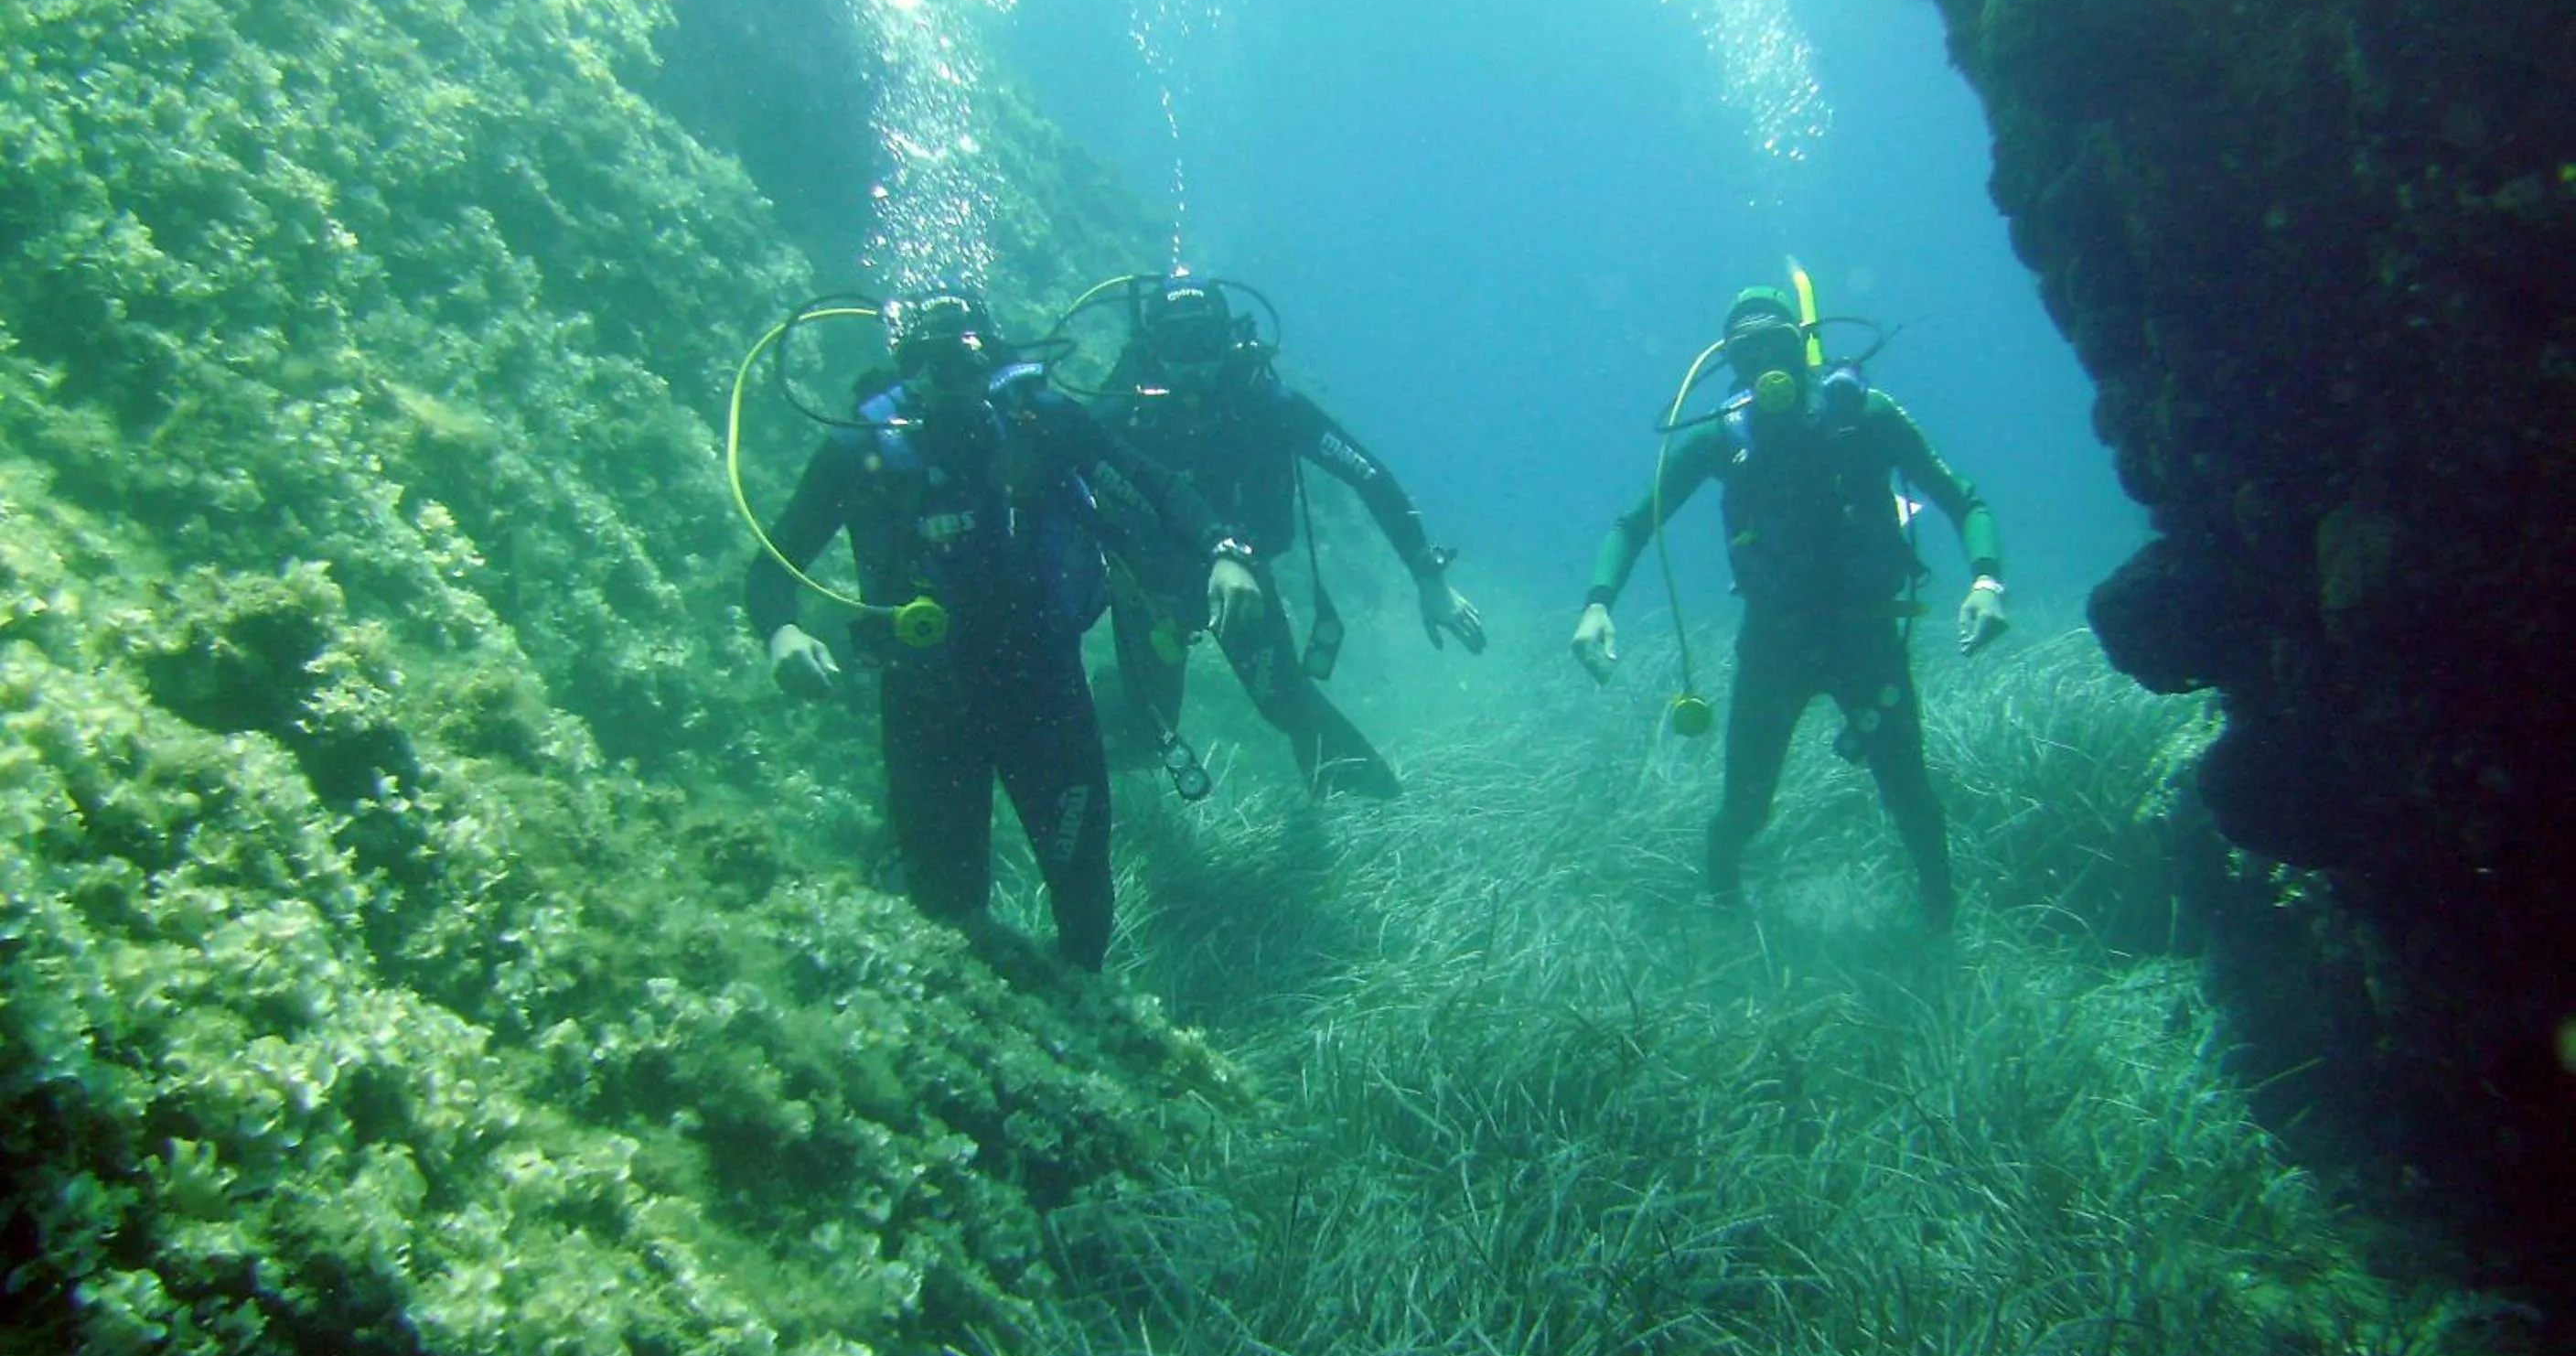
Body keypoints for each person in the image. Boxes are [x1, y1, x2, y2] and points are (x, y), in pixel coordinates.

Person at [746, 289, 1260, 972]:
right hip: (927, 704)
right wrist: (780, 631)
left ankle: (1083, 1011)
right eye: (928, 367)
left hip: (1045, 689)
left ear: (993, 361)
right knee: (948, 911)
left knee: (1082, 890)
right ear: (903, 368)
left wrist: (1225, 550)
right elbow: (773, 565)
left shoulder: (1041, 424)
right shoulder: (862, 449)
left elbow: (1156, 484)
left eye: (963, 363)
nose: (948, 384)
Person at [1570, 285, 2009, 931]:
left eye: (1777, 344)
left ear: (1805, 346)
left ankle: (1941, 924)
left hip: (1867, 639)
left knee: (1911, 798)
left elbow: (1963, 499)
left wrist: (1986, 582)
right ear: (1731, 365)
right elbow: (1634, 525)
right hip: (1773, 646)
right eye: (1747, 352)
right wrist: (1597, 605)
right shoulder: (1724, 438)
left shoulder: (1869, 417)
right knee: (1744, 810)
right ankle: (1723, 912)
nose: (1765, 364)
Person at [1087, 274, 1486, 801]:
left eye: (1204, 344)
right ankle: (1118, 711)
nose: (1192, 364)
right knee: (1142, 733)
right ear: (1150, 348)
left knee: (1288, 704)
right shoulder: (1119, 416)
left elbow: (1368, 476)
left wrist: (1428, 577)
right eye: (1174, 346)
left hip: (1245, 586)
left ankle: (1374, 813)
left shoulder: (1267, 405)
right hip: (1150, 590)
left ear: (1228, 341)